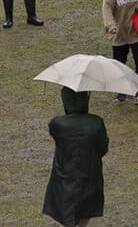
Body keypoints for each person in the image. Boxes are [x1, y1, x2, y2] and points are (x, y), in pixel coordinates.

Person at [43, 87, 109, 227]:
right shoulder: (96, 122)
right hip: (90, 174)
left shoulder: (57, 124)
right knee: (86, 211)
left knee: (65, 210)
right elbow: (103, 148)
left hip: (64, 175)